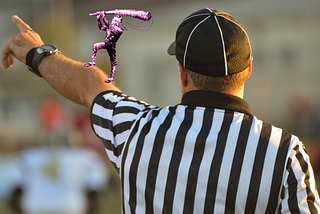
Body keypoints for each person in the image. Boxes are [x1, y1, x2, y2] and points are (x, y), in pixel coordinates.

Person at [2, 7, 320, 214]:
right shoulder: (286, 153)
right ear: (248, 70)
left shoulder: (135, 129)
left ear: (181, 71)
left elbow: (88, 84)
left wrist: (36, 52)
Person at [84, 12, 123, 83]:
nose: (115, 22)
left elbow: (108, 24)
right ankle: (93, 61)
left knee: (113, 62)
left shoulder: (119, 30)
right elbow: (101, 27)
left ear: (119, 23)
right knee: (95, 46)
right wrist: (98, 19)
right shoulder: (109, 27)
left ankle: (111, 77)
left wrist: (103, 16)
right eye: (114, 20)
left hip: (111, 46)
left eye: (117, 21)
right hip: (106, 43)